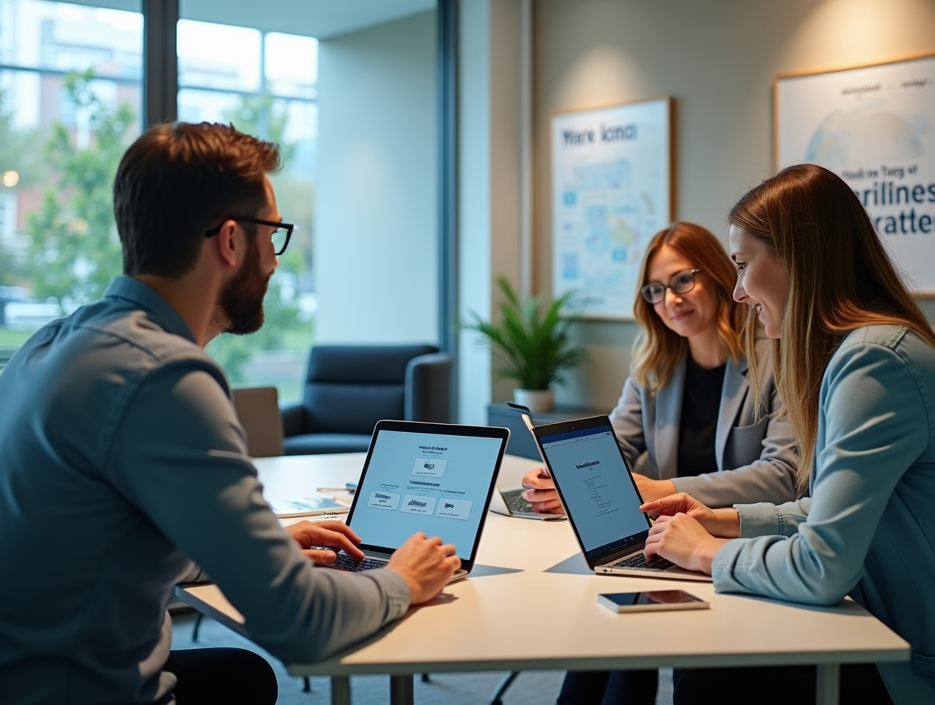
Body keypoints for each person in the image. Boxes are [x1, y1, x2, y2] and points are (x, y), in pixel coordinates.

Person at [0, 122, 462, 705]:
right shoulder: (165, 376)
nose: (274, 259)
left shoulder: (50, 343)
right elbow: (299, 621)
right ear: (230, 241)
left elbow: (95, 535)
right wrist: (403, 580)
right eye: (273, 234)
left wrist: (254, 548)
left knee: (243, 678)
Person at [641, 164, 935, 705]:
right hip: (905, 629)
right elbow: (825, 511)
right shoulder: (867, 350)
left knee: (714, 676)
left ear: (798, 258)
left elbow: (822, 566)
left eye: (745, 265)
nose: (740, 290)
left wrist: (705, 552)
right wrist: (718, 520)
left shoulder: (874, 361)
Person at [520, 222, 800, 705]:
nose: (670, 299)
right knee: (604, 628)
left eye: (682, 280)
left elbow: (782, 475)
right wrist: (559, 475)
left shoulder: (775, 358)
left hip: (738, 545)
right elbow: (614, 448)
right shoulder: (654, 365)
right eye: (655, 289)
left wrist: (661, 487)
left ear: (716, 276)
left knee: (623, 625)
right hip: (666, 543)